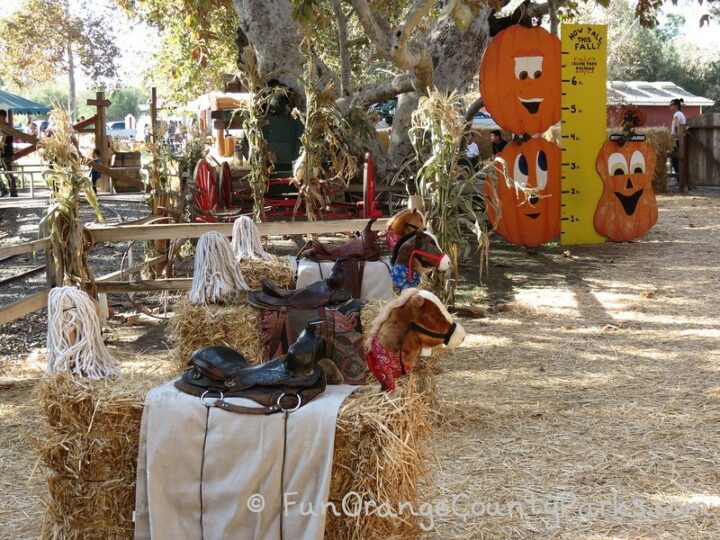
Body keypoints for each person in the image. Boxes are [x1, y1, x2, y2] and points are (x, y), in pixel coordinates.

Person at [0, 110, 18, 197]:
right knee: (8, 172)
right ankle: (3, 189)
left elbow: (2, 140)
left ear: (3, 117)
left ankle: (13, 190)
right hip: (3, 153)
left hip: (6, 153)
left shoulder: (7, 127)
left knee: (8, 172)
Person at [669, 98, 686, 181]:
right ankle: (679, 177)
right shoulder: (680, 114)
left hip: (677, 140)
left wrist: (676, 136)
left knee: (674, 158)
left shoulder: (677, 115)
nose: (669, 106)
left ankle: (679, 177)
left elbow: (676, 125)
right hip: (680, 139)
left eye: (671, 104)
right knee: (677, 158)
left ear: (676, 105)